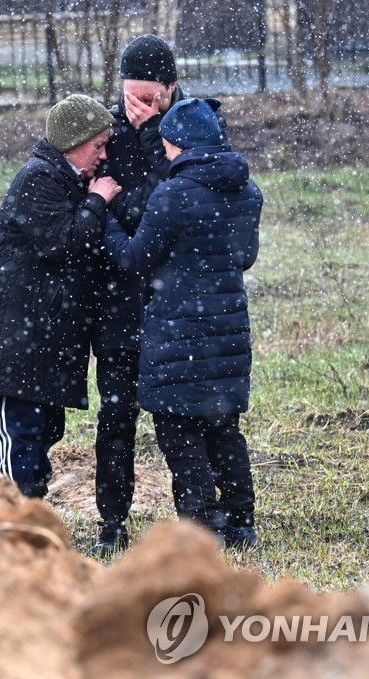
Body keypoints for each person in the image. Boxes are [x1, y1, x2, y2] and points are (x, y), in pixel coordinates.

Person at [102, 97, 263, 549]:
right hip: (228, 332)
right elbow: (244, 257)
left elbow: (134, 259)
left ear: (178, 145)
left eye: (168, 147)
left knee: (179, 431)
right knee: (224, 429)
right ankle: (241, 523)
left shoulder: (171, 196)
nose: (166, 155)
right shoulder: (247, 191)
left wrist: (109, 218)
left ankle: (200, 525)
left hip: (178, 332)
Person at [0, 94, 121, 498]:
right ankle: (10, 516)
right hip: (17, 336)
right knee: (19, 433)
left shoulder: (64, 178)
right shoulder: (39, 179)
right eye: (98, 145)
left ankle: (27, 509)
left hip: (40, 334)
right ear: (73, 142)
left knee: (44, 427)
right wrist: (97, 200)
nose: (103, 156)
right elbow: (65, 244)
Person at [87, 34, 190, 557]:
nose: (139, 110)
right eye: (133, 98)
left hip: (172, 306)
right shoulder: (106, 135)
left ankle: (199, 519)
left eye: (151, 98)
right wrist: (129, 213)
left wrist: (153, 132)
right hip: (118, 303)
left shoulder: (191, 130)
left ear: (172, 89)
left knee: (181, 417)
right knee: (116, 415)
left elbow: (167, 206)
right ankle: (112, 520)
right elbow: (110, 206)